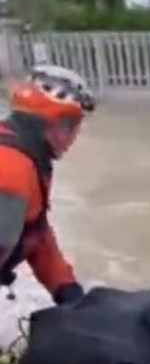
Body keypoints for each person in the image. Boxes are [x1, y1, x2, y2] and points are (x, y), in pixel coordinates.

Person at [0, 64, 95, 306]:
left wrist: (66, 288)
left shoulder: (27, 158)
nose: (74, 137)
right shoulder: (13, 168)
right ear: (59, 123)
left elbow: (35, 233)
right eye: (74, 126)